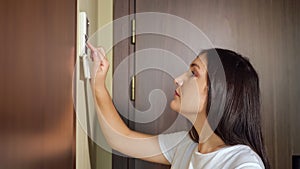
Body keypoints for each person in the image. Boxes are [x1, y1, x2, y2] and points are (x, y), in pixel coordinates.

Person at [87, 42, 270, 169]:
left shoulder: (244, 164)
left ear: (218, 92)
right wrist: (97, 83)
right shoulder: (186, 145)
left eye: (193, 73)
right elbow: (121, 139)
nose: (178, 80)